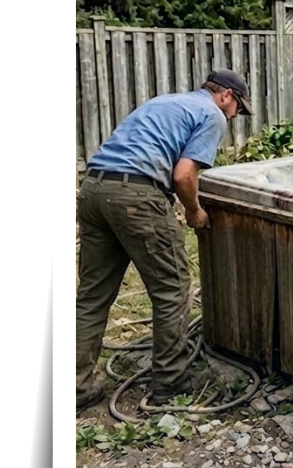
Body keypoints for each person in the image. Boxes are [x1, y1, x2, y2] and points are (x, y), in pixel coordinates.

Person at [75, 69, 252, 414]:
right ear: (226, 96)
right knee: (172, 288)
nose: (235, 117)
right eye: (238, 110)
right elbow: (184, 175)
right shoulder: (211, 114)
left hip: (93, 190)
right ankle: (171, 385)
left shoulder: (168, 101)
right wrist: (194, 211)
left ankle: (79, 388)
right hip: (136, 196)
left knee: (92, 295)